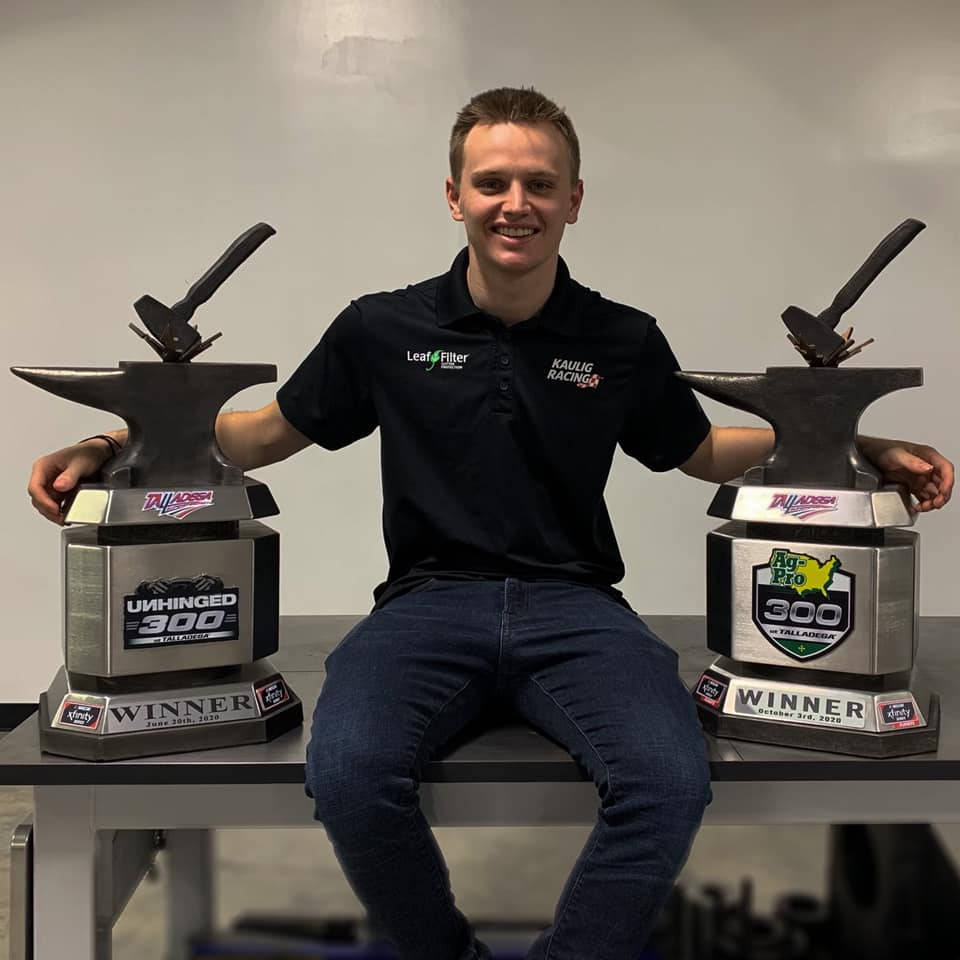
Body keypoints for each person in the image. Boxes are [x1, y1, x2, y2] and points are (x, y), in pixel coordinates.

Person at [28, 87, 954, 960]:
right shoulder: (380, 328)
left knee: (668, 784)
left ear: (575, 200)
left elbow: (707, 451)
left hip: (578, 611)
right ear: (454, 196)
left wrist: (859, 451)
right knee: (349, 776)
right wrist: (115, 442)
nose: (517, 203)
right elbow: (263, 435)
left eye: (540, 184)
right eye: (493, 182)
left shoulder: (620, 337)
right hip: (428, 608)